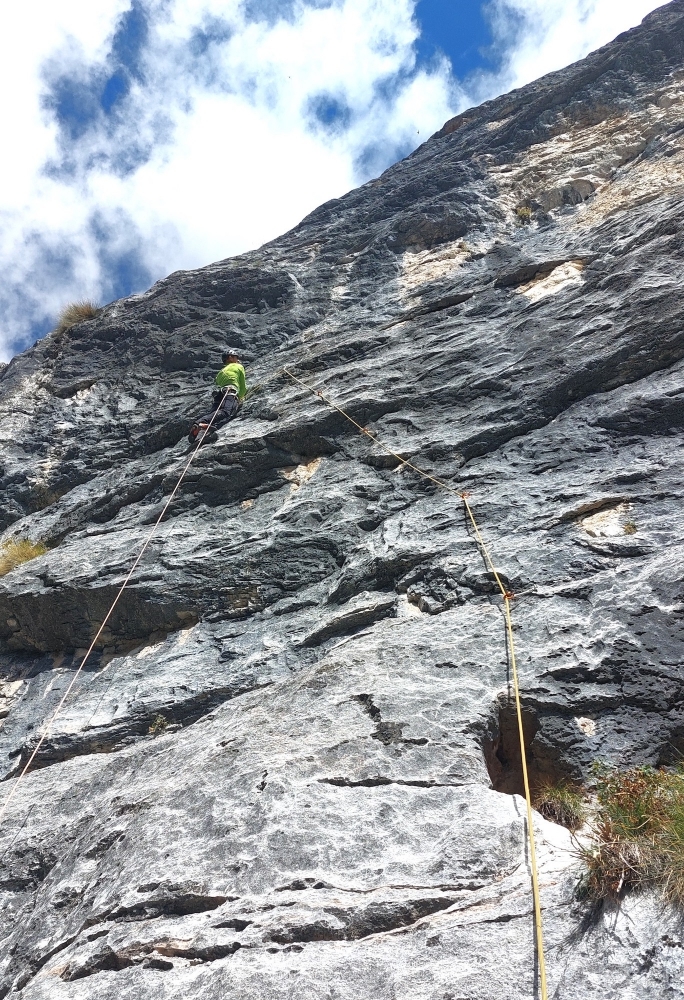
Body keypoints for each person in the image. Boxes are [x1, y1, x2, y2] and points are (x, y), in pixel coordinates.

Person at [188, 349, 247, 445]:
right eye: (236, 357)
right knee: (225, 412)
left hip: (220, 393)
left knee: (214, 413)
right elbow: (243, 386)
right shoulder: (238, 366)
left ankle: (202, 428)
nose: (237, 359)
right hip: (230, 391)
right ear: (230, 358)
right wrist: (241, 397)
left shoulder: (220, 373)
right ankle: (200, 423)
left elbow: (217, 383)